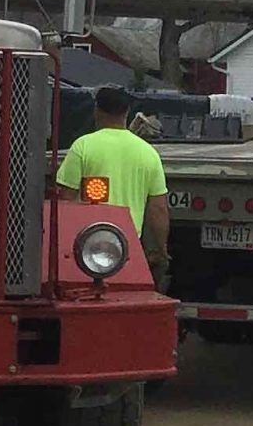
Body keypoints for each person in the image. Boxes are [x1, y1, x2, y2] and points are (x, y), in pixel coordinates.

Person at [55, 87, 171, 281]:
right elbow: (158, 208)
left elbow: (65, 200)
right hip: (128, 248)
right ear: (127, 113)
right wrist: (161, 249)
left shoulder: (83, 146)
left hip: (86, 250)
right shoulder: (148, 153)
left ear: (96, 110)